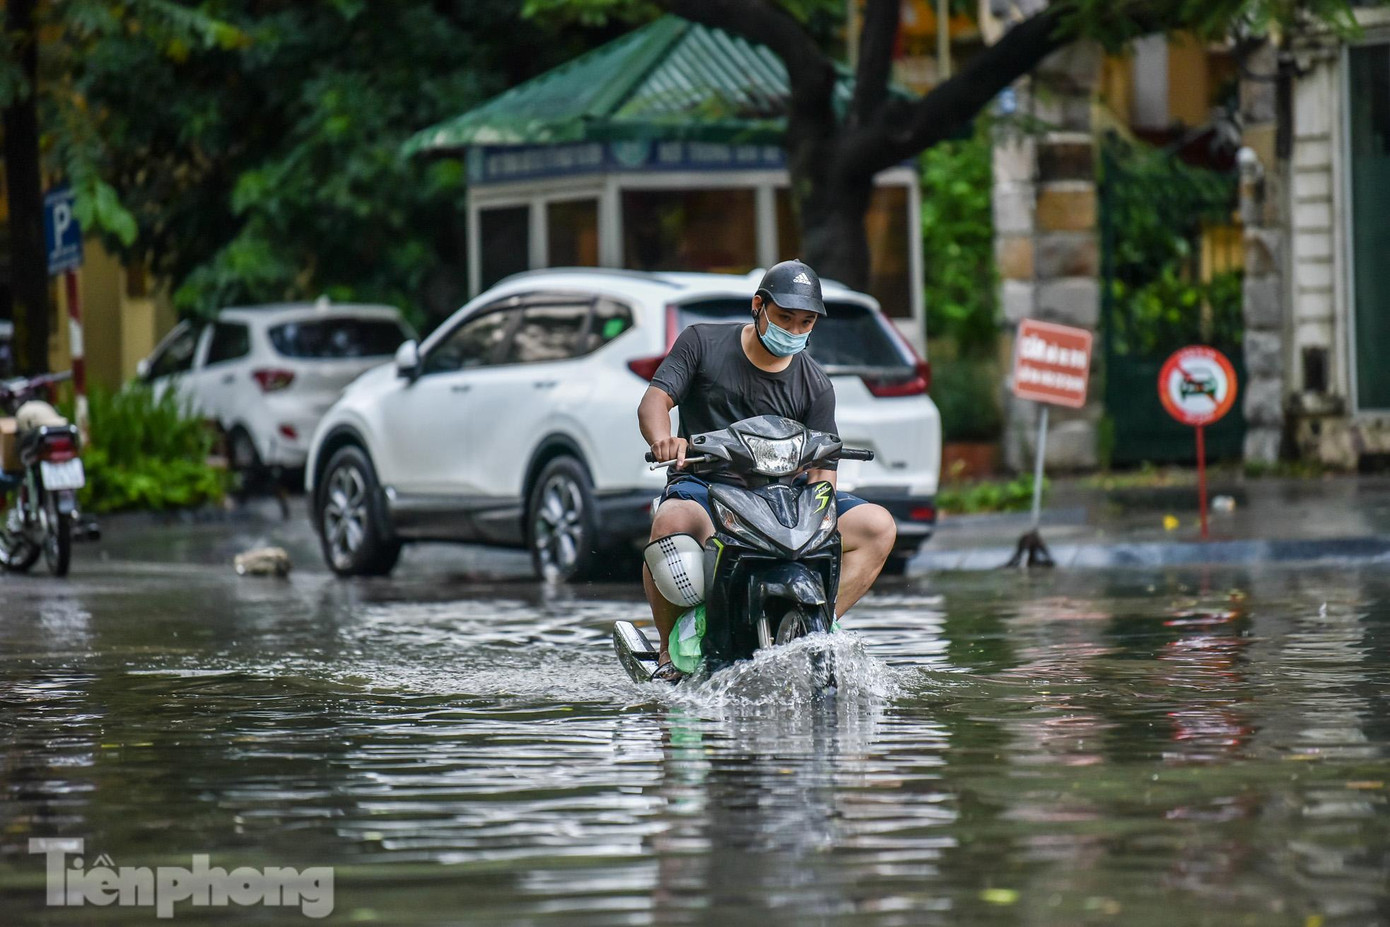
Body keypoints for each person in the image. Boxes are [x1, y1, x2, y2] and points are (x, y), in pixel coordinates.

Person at [636, 259, 897, 681]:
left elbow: (822, 469)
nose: (794, 331)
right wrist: (664, 439)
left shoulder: (815, 384)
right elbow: (655, 401)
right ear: (758, 306)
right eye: (784, 318)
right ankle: (669, 655)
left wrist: (820, 514)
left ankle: (817, 626)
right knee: (669, 523)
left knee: (879, 526)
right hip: (706, 488)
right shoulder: (701, 342)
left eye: (805, 322)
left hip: (785, 498)